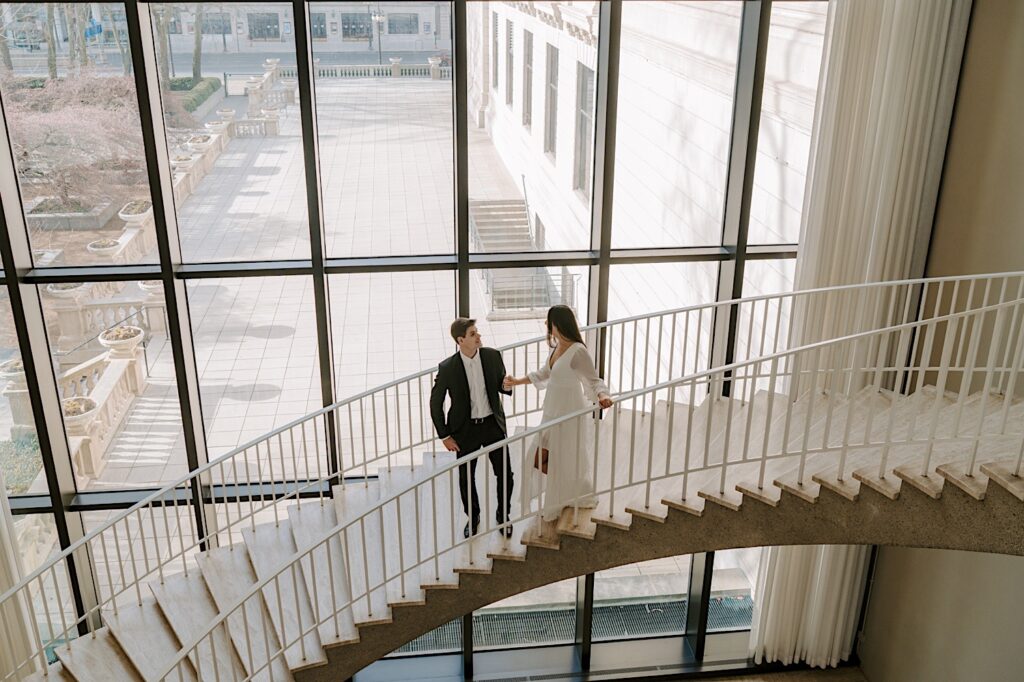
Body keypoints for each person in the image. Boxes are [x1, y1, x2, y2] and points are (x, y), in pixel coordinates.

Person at [503, 305, 613, 525]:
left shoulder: (577, 351)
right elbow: (544, 374)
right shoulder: (556, 348)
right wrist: (517, 381)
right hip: (551, 411)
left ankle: (561, 497)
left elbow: (593, 380)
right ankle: (568, 489)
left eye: (549, 321)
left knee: (562, 457)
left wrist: (602, 395)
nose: (546, 325)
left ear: (558, 324)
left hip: (569, 413)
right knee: (536, 458)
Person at [430, 318, 515, 539]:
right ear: (460, 340)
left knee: (505, 473)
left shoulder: (492, 356)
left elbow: (499, 385)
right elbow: (435, 402)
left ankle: (503, 515)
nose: (478, 336)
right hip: (465, 430)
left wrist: (506, 385)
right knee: (466, 477)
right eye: (472, 334)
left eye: (477, 332)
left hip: (492, 424)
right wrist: (445, 435)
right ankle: (473, 517)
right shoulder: (447, 368)